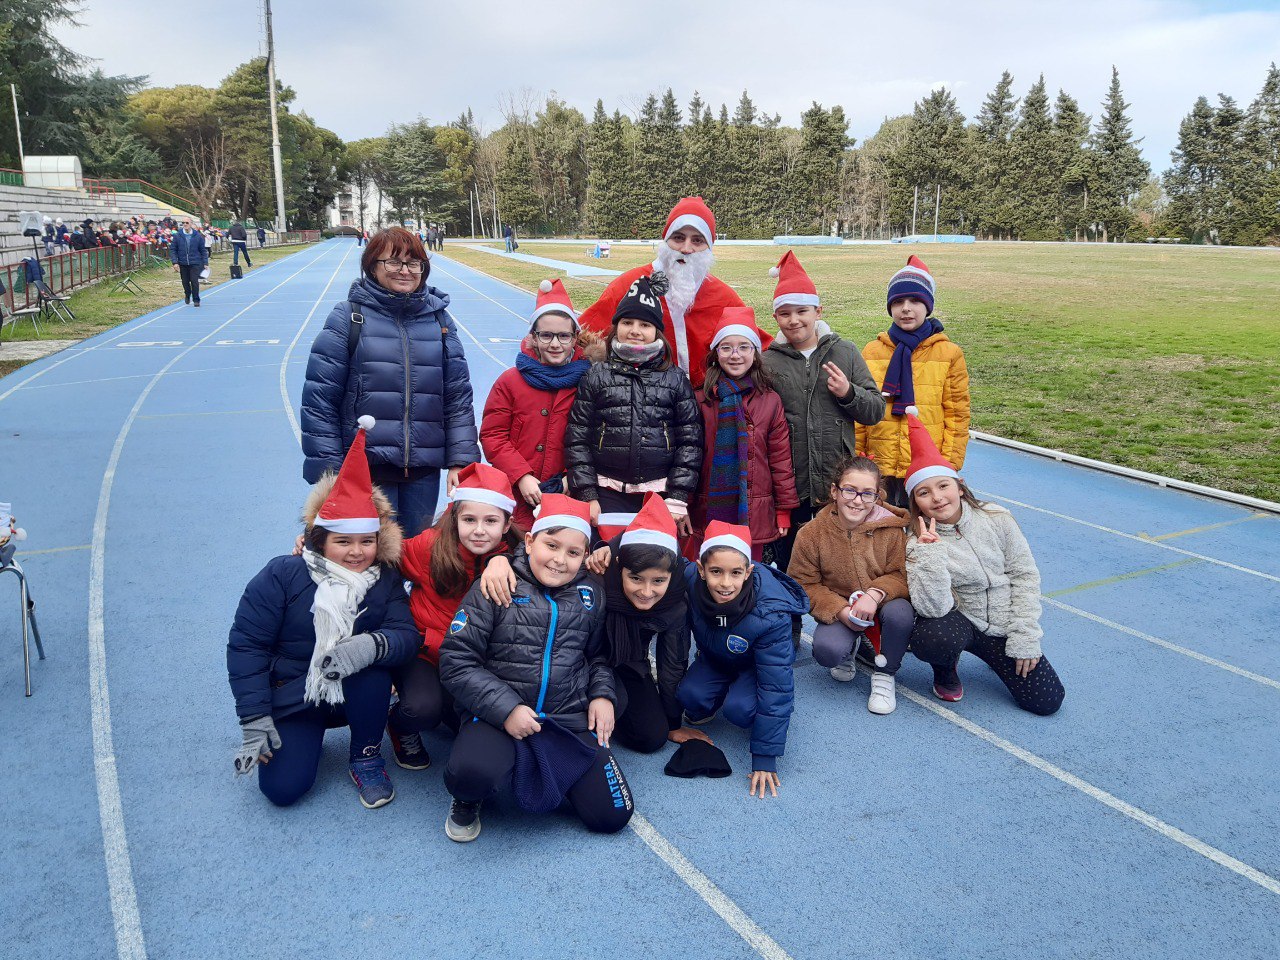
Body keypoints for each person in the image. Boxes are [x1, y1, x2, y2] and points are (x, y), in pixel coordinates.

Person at [227, 418, 420, 809]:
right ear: (318, 539)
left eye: (367, 541)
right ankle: (299, 734)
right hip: (296, 693)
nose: (356, 552)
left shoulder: (383, 578)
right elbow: (247, 646)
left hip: (355, 691)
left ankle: (366, 755)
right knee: (282, 791)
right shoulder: (282, 574)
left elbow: (406, 634)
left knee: (373, 665)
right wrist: (254, 717)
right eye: (342, 541)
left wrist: (370, 646)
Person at [438, 494, 634, 842]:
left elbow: (598, 657)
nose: (560, 560)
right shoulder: (497, 584)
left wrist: (603, 694)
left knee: (612, 814)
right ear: (529, 541)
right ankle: (469, 796)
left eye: (573, 553)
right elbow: (456, 661)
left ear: (584, 556)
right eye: (551, 545)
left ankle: (552, 763)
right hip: (497, 714)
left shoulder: (592, 594)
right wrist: (507, 709)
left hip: (566, 716)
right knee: (472, 774)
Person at [301, 226, 479, 537]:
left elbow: (457, 395)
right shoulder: (348, 317)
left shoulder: (440, 320)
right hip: (364, 471)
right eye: (394, 262)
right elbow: (319, 400)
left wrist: (461, 461)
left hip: (422, 472)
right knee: (368, 561)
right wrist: (331, 472)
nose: (405, 271)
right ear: (372, 265)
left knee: (413, 559)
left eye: (414, 263)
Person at [903, 414, 1065, 714]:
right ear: (916, 503)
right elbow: (932, 609)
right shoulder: (916, 541)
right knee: (931, 638)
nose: (937, 498)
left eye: (943, 486)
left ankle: (1000, 655)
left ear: (960, 487)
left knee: (1046, 702)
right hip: (961, 622)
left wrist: (1025, 636)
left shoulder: (996, 517)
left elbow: (1025, 576)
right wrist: (930, 556)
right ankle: (946, 669)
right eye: (924, 493)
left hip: (1004, 624)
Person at [385, 463, 523, 769]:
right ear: (455, 518)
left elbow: (557, 558)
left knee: (477, 727)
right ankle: (397, 724)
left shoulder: (518, 555)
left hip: (473, 662)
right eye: (469, 519)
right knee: (423, 710)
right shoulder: (430, 548)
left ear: (506, 523)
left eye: (490, 521)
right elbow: (380, 554)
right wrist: (314, 544)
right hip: (428, 653)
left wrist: (501, 559)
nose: (478, 530)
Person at [762, 251, 885, 571]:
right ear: (775, 318)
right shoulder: (768, 361)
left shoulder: (844, 352)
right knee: (790, 565)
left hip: (836, 484)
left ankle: (837, 618)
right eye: (784, 313)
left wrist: (849, 393)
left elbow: (875, 410)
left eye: (802, 311)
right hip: (788, 486)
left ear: (818, 310)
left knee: (837, 565)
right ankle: (791, 622)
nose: (794, 320)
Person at [564, 273, 702, 540]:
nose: (635, 330)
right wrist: (588, 493)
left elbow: (690, 443)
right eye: (627, 322)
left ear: (656, 332)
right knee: (606, 562)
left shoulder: (674, 379)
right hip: (606, 491)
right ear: (616, 327)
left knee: (650, 563)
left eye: (645, 324)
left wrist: (677, 497)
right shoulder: (597, 376)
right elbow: (577, 438)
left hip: (658, 494)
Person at [678, 521, 807, 798]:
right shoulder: (690, 580)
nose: (725, 583)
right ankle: (713, 698)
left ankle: (738, 696)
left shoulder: (770, 614)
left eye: (735, 573)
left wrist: (765, 757)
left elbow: (776, 686)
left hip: (755, 668)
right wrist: (607, 549)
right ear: (701, 570)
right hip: (716, 658)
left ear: (748, 572)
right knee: (689, 696)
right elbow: (656, 555)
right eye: (716, 572)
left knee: (740, 710)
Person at [577, 197, 752, 387]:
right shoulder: (628, 285)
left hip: (707, 403)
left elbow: (755, 349)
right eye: (678, 238)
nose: (686, 249)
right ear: (665, 240)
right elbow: (581, 337)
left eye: (697, 240)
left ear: (709, 246)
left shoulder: (724, 297)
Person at [787, 454, 913, 714]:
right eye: (850, 491)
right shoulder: (811, 534)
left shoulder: (891, 530)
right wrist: (841, 611)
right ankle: (849, 648)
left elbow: (902, 574)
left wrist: (875, 594)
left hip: (883, 604)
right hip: (843, 607)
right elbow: (804, 584)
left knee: (901, 614)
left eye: (867, 494)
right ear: (835, 491)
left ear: (877, 496)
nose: (857, 501)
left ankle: (885, 673)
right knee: (827, 651)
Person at [480, 279, 592, 533]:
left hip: (566, 492)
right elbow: (493, 435)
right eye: (546, 335)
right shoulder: (510, 381)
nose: (555, 344)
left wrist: (571, 477)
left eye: (564, 336)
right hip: (516, 493)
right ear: (533, 337)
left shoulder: (589, 382)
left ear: (575, 338)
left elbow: (594, 438)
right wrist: (521, 475)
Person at [858, 256, 970, 508]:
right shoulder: (872, 351)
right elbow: (861, 411)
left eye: (915, 301)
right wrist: (859, 456)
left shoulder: (949, 353)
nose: (906, 308)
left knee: (922, 531)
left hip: (926, 465)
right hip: (880, 462)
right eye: (898, 302)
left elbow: (957, 413)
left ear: (928, 306)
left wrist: (948, 463)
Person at [690, 308, 799, 563]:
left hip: (755, 509)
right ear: (716, 354)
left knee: (748, 572)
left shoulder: (770, 401)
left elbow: (781, 460)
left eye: (743, 347)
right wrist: (683, 504)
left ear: (755, 354)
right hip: (708, 507)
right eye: (726, 348)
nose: (735, 355)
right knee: (708, 570)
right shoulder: (701, 400)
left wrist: (783, 510)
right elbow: (690, 459)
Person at [169, 216, 209, 307]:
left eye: (187, 223)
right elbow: (173, 250)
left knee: (194, 281)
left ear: (191, 224)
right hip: (183, 263)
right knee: (185, 281)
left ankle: (196, 299)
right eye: (183, 223)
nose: (185, 224)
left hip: (195, 262)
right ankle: (187, 294)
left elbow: (203, 250)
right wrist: (175, 262)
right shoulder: (177, 235)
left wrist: (205, 263)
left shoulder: (198, 236)